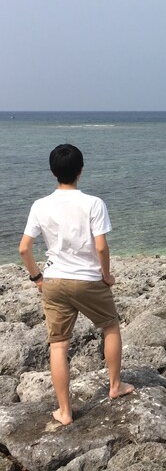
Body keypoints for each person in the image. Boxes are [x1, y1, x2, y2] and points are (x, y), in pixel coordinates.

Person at [19, 144, 134, 425]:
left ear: (53, 172)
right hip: (88, 280)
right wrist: (106, 275)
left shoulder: (39, 205)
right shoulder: (93, 203)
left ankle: (64, 411)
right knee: (110, 326)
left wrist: (37, 278)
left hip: (54, 280)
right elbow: (101, 247)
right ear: (80, 170)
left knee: (58, 345)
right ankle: (115, 385)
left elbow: (24, 248)